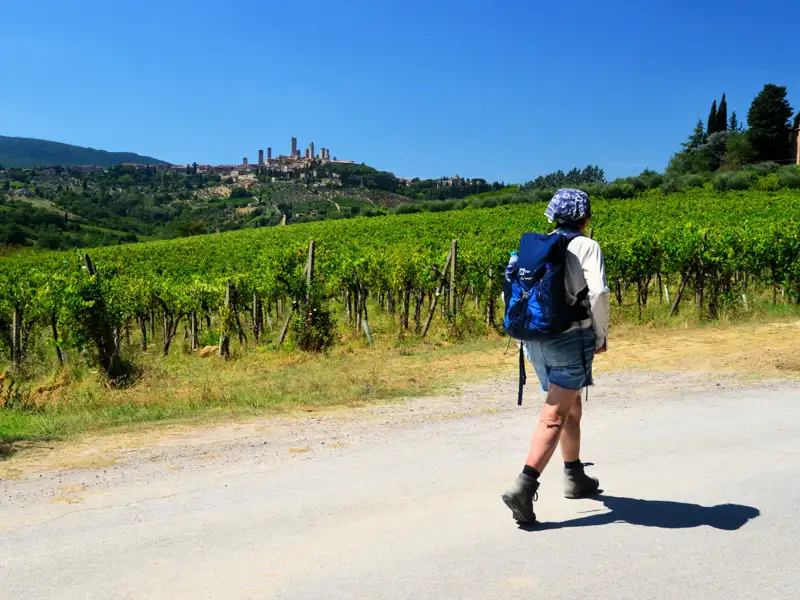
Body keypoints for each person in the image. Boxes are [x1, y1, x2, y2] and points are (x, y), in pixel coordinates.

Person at [501, 188, 610, 525]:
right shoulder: (586, 246)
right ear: (585, 217)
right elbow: (599, 293)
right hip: (569, 340)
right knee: (554, 416)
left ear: (553, 216)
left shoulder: (538, 246)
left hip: (534, 341)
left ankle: (575, 476)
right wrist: (601, 335)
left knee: (570, 404)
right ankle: (524, 486)